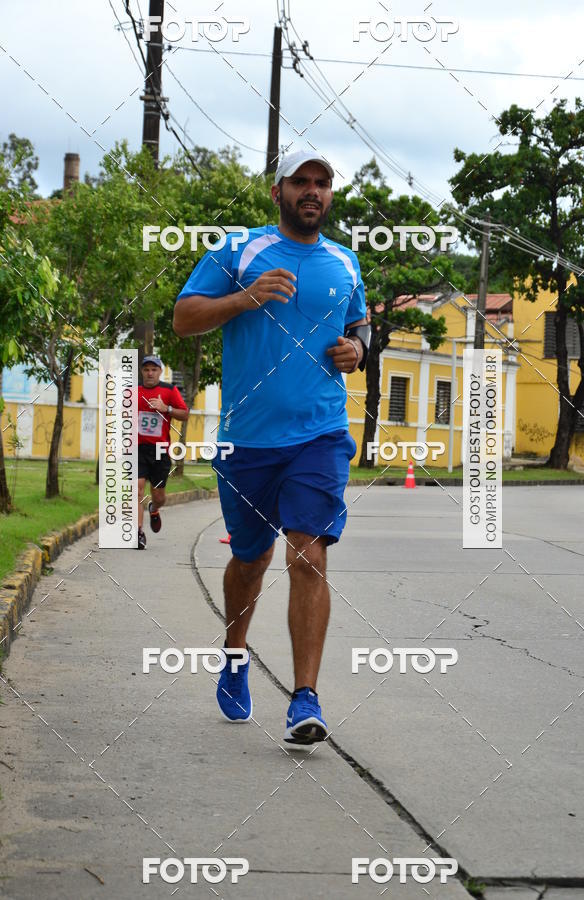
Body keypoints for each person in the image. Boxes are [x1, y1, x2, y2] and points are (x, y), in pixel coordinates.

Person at [173, 150, 370, 745]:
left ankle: (304, 698)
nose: (312, 191)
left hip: (321, 434)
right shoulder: (237, 250)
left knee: (308, 553)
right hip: (248, 442)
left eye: (322, 183)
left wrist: (358, 351)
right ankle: (235, 654)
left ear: (330, 195)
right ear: (277, 190)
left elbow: (358, 326)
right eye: (301, 182)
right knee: (251, 559)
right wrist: (245, 299)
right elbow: (184, 317)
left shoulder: (345, 261)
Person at [137, 355, 189, 549]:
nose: (150, 373)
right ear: (142, 371)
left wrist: (166, 408)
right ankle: (139, 533)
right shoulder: (133, 391)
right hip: (138, 448)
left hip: (160, 450)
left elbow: (185, 414)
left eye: (154, 369)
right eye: (146, 369)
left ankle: (154, 509)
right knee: (137, 489)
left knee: (159, 496)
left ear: (160, 371)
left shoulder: (169, 390)